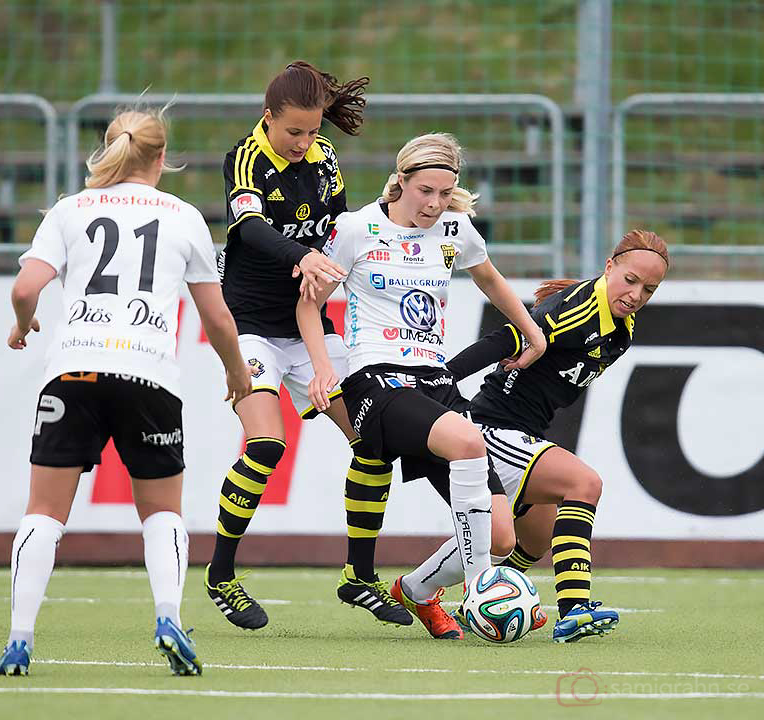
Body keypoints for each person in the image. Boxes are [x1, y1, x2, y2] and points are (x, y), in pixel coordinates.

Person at [0, 108, 251, 677]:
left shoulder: (69, 210)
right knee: (162, 514)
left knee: (43, 512)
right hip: (148, 376)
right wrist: (236, 372)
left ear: (108, 150)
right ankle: (167, 618)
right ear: (161, 158)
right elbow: (217, 319)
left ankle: (19, 637)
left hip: (73, 374)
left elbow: (24, 287)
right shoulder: (183, 217)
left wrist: (23, 321)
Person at [297, 132, 548, 639]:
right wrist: (324, 368)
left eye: (444, 192)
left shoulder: (456, 229)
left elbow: (491, 280)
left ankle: (414, 590)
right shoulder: (356, 228)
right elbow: (308, 303)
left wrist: (531, 328)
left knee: (501, 533)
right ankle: (480, 589)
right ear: (401, 181)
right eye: (424, 191)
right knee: (467, 441)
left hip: (434, 383)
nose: (434, 204)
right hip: (375, 381)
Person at [207, 61, 413, 631]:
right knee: (267, 444)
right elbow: (248, 229)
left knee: (374, 444)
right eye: (293, 131)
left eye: (312, 131)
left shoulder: (324, 159)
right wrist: (301, 257)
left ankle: (359, 577)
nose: (304, 143)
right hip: (248, 326)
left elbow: (338, 230)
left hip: (309, 327)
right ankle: (221, 575)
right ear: (267, 119)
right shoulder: (244, 158)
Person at [393, 229, 670, 643]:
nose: (636, 295)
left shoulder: (622, 331)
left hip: (523, 431)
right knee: (584, 483)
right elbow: (501, 339)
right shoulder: (578, 310)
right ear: (610, 266)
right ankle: (575, 609)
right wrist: (438, 382)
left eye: (649, 289)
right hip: (491, 426)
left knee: (532, 536)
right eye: (630, 280)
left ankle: (423, 589)